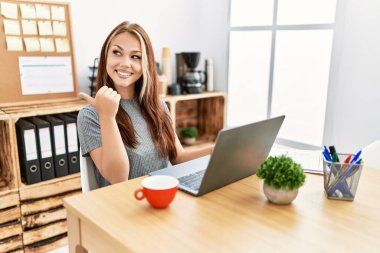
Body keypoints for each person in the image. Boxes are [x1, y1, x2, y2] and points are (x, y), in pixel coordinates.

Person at [77, 21, 212, 187]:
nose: (125, 63)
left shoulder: (157, 105)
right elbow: (117, 178)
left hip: (161, 197)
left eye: (136, 57)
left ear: (145, 64)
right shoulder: (90, 115)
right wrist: (107, 116)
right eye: (117, 52)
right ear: (106, 57)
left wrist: (216, 150)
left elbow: (178, 158)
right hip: (123, 206)